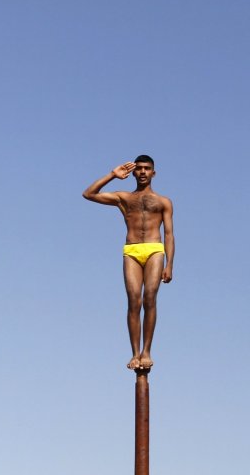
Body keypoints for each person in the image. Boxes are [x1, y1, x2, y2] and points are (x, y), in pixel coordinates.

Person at [83, 155, 175, 371]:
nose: (143, 172)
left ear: (153, 173)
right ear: (133, 172)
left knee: (149, 297)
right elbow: (88, 194)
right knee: (134, 301)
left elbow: (169, 233)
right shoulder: (124, 198)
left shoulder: (163, 202)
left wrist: (170, 263)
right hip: (132, 250)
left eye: (147, 168)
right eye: (139, 168)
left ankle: (146, 351)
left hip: (154, 249)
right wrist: (112, 175)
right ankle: (135, 353)